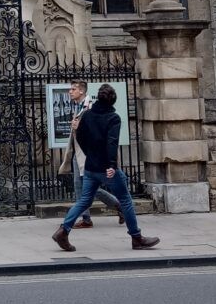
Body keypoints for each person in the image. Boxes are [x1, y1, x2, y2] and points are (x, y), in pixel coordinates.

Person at [52, 84, 159, 252]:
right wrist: (110, 165)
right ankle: (136, 238)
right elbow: (111, 142)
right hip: (106, 168)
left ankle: (63, 231)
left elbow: (79, 135)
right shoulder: (113, 118)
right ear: (113, 100)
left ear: (98, 98)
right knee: (125, 200)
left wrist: (90, 154)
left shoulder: (87, 115)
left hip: (90, 167)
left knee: (84, 200)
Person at [58, 79, 123, 230]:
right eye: (70, 89)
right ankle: (86, 218)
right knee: (78, 185)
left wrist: (78, 126)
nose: (70, 91)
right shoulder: (78, 107)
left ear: (82, 91)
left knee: (89, 186)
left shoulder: (90, 107)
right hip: (77, 151)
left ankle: (118, 205)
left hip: (88, 152)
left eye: (73, 89)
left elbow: (95, 129)